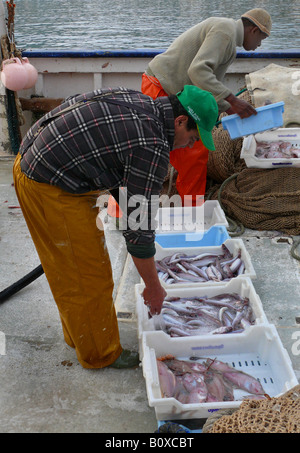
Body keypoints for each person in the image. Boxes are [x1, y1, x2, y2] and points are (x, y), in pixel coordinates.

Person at [13, 85, 218, 370]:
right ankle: (100, 354)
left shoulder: (141, 102)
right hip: (48, 183)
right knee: (89, 275)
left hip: (31, 159)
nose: (191, 145)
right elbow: (140, 232)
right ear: (180, 121)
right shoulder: (153, 145)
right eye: (193, 138)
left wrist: (129, 211)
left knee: (67, 266)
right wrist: (154, 287)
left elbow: (119, 172)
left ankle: (78, 334)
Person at [141, 8, 272, 201]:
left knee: (192, 150)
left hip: (177, 93)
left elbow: (205, 87)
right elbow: (198, 71)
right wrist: (233, 101)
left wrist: (227, 108)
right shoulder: (225, 31)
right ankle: (189, 210)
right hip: (161, 86)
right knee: (160, 150)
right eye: (261, 39)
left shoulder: (227, 35)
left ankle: (190, 207)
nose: (259, 45)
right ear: (253, 30)